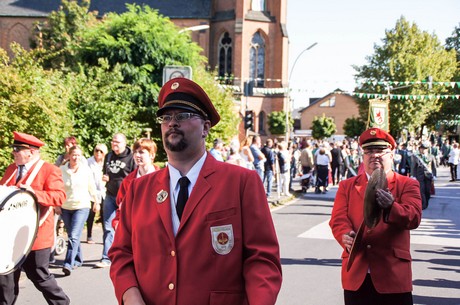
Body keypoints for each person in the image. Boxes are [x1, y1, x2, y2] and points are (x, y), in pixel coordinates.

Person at [109, 77, 282, 305]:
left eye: (182, 116)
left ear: (206, 127)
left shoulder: (241, 182)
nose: (172, 123)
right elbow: (121, 254)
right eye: (166, 117)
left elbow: (262, 260)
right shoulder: (138, 189)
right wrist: (131, 297)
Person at [329, 128, 422, 305]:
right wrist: (345, 235)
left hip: (392, 274)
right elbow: (338, 219)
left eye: (380, 151)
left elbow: (414, 217)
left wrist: (391, 208)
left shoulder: (407, 184)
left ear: (391, 154)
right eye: (369, 151)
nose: (374, 156)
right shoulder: (347, 186)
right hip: (357, 274)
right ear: (362, 156)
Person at [0, 131, 70, 305]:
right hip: (10, 236)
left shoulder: (48, 170)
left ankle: (61, 303)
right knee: (5, 277)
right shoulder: (11, 169)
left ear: (30, 152)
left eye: (17, 149)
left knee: (39, 275)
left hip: (36, 235)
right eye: (14, 149)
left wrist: (35, 194)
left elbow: (59, 197)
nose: (14, 152)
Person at [95, 133, 136, 268]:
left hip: (126, 197)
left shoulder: (131, 157)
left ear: (124, 143)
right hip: (111, 195)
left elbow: (136, 177)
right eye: (113, 142)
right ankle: (106, 257)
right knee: (108, 226)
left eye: (117, 142)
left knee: (128, 227)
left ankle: (130, 255)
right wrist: (106, 177)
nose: (114, 144)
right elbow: (106, 172)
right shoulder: (109, 156)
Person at [59, 145, 98, 276]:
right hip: (66, 206)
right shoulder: (61, 170)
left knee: (74, 236)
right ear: (69, 155)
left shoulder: (85, 170)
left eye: (78, 155)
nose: (76, 157)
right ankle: (78, 258)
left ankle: (68, 264)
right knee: (72, 236)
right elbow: (58, 188)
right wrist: (56, 204)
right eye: (74, 154)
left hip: (82, 206)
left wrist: (96, 201)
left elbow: (91, 186)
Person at [112, 138, 159, 230]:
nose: (137, 155)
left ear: (152, 155)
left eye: (141, 152)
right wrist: (117, 223)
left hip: (156, 231)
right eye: (135, 152)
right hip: (135, 230)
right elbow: (122, 208)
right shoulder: (128, 181)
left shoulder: (163, 178)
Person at [86, 143, 108, 244]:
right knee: (91, 214)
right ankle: (89, 235)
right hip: (91, 191)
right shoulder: (89, 162)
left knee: (104, 214)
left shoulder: (107, 162)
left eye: (101, 151)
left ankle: (106, 237)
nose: (98, 153)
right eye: (96, 150)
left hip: (104, 191)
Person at [410, 142, 437, 210]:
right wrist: (413, 175)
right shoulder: (416, 157)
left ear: (427, 149)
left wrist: (435, 175)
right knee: (421, 190)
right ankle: (423, 204)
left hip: (428, 176)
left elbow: (434, 167)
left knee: (427, 191)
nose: (423, 150)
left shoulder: (431, 156)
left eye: (424, 149)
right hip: (420, 176)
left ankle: (426, 202)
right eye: (422, 149)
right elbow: (413, 167)